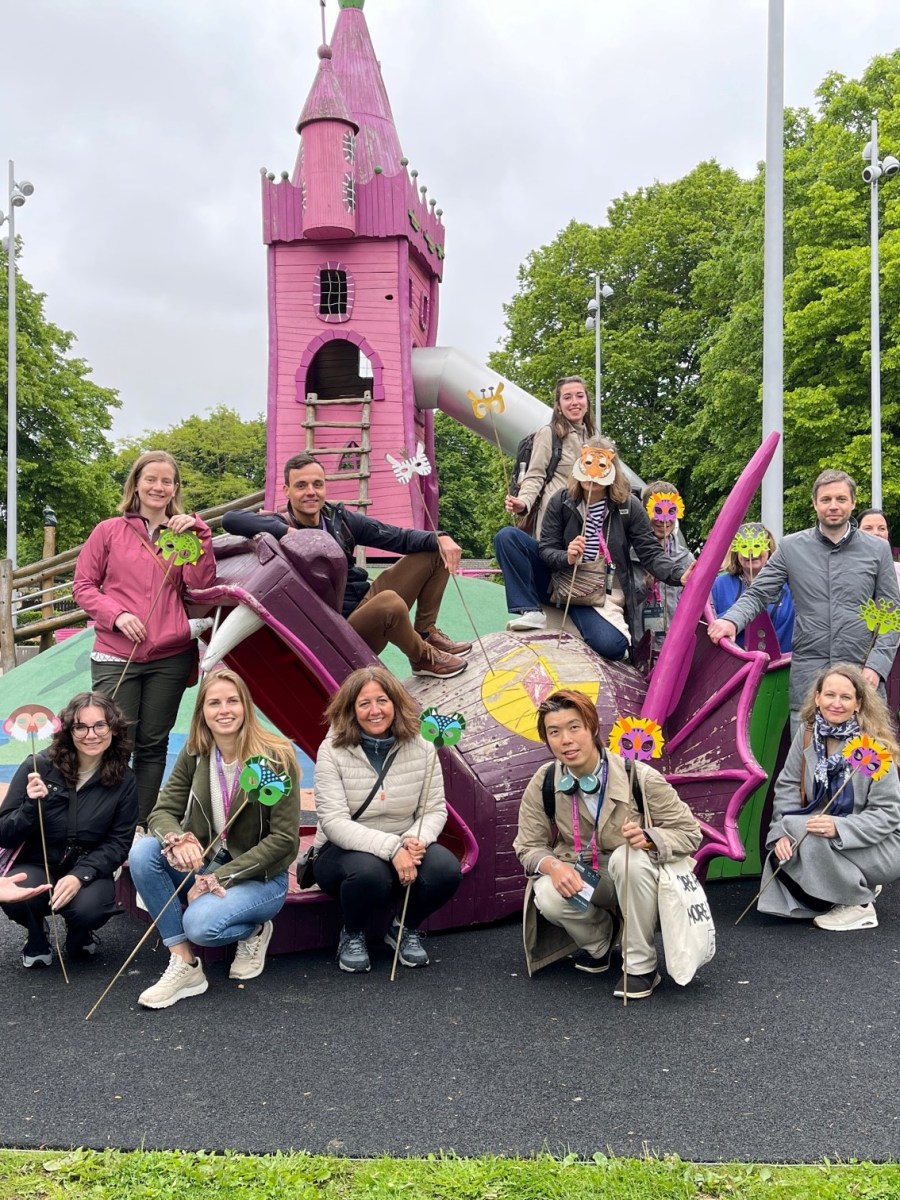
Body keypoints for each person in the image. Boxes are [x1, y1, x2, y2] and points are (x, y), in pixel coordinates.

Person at [514, 690, 701, 1000]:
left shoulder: (639, 776)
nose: (566, 740)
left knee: (629, 857)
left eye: (574, 727)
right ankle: (601, 941)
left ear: (592, 727)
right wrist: (554, 866)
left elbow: (690, 832)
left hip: (637, 877)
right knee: (546, 892)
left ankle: (641, 966)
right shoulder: (545, 780)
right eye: (554, 732)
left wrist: (650, 839)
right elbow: (528, 845)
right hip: (587, 875)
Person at [128, 669, 299, 1008]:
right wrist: (178, 839)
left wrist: (218, 878)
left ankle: (255, 931)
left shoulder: (276, 757)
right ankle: (184, 963)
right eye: (214, 703)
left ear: (246, 706)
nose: (224, 710)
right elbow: (162, 811)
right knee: (144, 852)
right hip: (206, 863)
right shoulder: (195, 752)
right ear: (202, 711)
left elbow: (284, 840)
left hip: (259, 877)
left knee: (201, 926)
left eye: (232, 701)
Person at [223, 453, 470, 679]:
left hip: (366, 599)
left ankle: (426, 632)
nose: (311, 492)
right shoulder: (279, 524)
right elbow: (231, 519)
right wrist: (290, 533)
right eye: (301, 485)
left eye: (317, 484)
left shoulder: (339, 519)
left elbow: (399, 537)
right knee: (390, 603)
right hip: (343, 632)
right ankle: (421, 658)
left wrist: (441, 537)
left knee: (436, 550)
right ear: (286, 490)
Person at [73, 451, 215, 826]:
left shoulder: (184, 535)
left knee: (153, 744)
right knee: (114, 741)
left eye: (167, 481)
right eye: (150, 479)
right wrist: (116, 615)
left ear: (175, 488)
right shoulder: (108, 531)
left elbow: (201, 586)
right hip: (116, 652)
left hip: (171, 654)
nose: (158, 487)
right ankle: (103, 823)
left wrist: (201, 536)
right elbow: (83, 586)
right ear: (136, 483)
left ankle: (138, 826)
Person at [708, 470, 900, 726]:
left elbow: (891, 614)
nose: (833, 506)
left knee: (864, 752)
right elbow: (757, 593)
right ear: (815, 503)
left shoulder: (877, 549)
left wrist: (876, 667)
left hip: (861, 678)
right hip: (810, 681)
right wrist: (731, 620)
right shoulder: (791, 547)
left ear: (853, 502)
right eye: (826, 499)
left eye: (841, 499)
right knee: (806, 750)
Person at [313, 666, 462, 973]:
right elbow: (334, 822)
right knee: (371, 874)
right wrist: (393, 849)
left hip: (404, 841)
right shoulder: (332, 750)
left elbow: (434, 809)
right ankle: (352, 933)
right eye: (364, 703)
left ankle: (403, 927)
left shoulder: (423, 746)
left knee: (446, 869)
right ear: (351, 709)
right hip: (342, 851)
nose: (375, 711)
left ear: (395, 702)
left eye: (382, 700)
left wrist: (417, 839)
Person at [0, 692, 138, 968]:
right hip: (36, 863)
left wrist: (80, 875)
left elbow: (119, 842)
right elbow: (4, 833)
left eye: (100, 725)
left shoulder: (124, 779)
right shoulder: (37, 767)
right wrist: (30, 807)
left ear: (113, 728)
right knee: (18, 893)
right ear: (68, 730)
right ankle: (36, 934)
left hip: (87, 865)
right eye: (81, 727)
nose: (91, 734)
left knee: (91, 909)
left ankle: (79, 931)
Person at [758, 664, 900, 930]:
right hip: (819, 829)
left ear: (858, 704)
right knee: (783, 849)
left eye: (845, 697)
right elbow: (788, 786)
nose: (836, 703)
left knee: (807, 834)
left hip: (878, 845)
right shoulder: (808, 735)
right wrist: (781, 834)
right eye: (830, 695)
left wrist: (839, 827)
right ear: (817, 698)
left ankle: (859, 905)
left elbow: (888, 813)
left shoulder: (871, 748)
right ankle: (852, 882)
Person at [537, 439, 693, 661]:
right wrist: (566, 556)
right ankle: (530, 610)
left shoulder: (629, 506)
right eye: (588, 463)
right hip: (565, 581)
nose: (593, 474)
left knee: (613, 646)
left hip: (605, 593)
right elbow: (546, 548)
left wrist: (678, 574)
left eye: (602, 465)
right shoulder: (561, 501)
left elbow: (650, 553)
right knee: (509, 539)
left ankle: (589, 625)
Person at [495, 376, 595, 631]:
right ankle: (529, 608)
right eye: (567, 397)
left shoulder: (595, 442)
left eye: (579, 396)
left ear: (587, 401)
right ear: (558, 405)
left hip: (583, 540)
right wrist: (524, 502)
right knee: (507, 538)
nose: (574, 402)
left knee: (606, 641)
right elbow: (536, 475)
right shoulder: (550, 434)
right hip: (552, 533)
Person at [710, 522, 794, 654]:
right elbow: (708, 622)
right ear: (736, 551)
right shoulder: (718, 585)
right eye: (744, 546)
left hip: (783, 662)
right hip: (733, 662)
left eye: (757, 545)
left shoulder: (789, 584)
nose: (751, 553)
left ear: (769, 548)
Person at [637, 479, 695, 650]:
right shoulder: (630, 554)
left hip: (672, 648)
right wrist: (644, 587)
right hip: (637, 646)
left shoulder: (685, 559)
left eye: (670, 511)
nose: (663, 520)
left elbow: (695, 608)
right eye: (657, 511)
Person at [857, 509, 900, 587]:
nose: (876, 533)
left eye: (882, 528)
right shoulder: (846, 570)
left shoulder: (898, 570)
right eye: (868, 528)